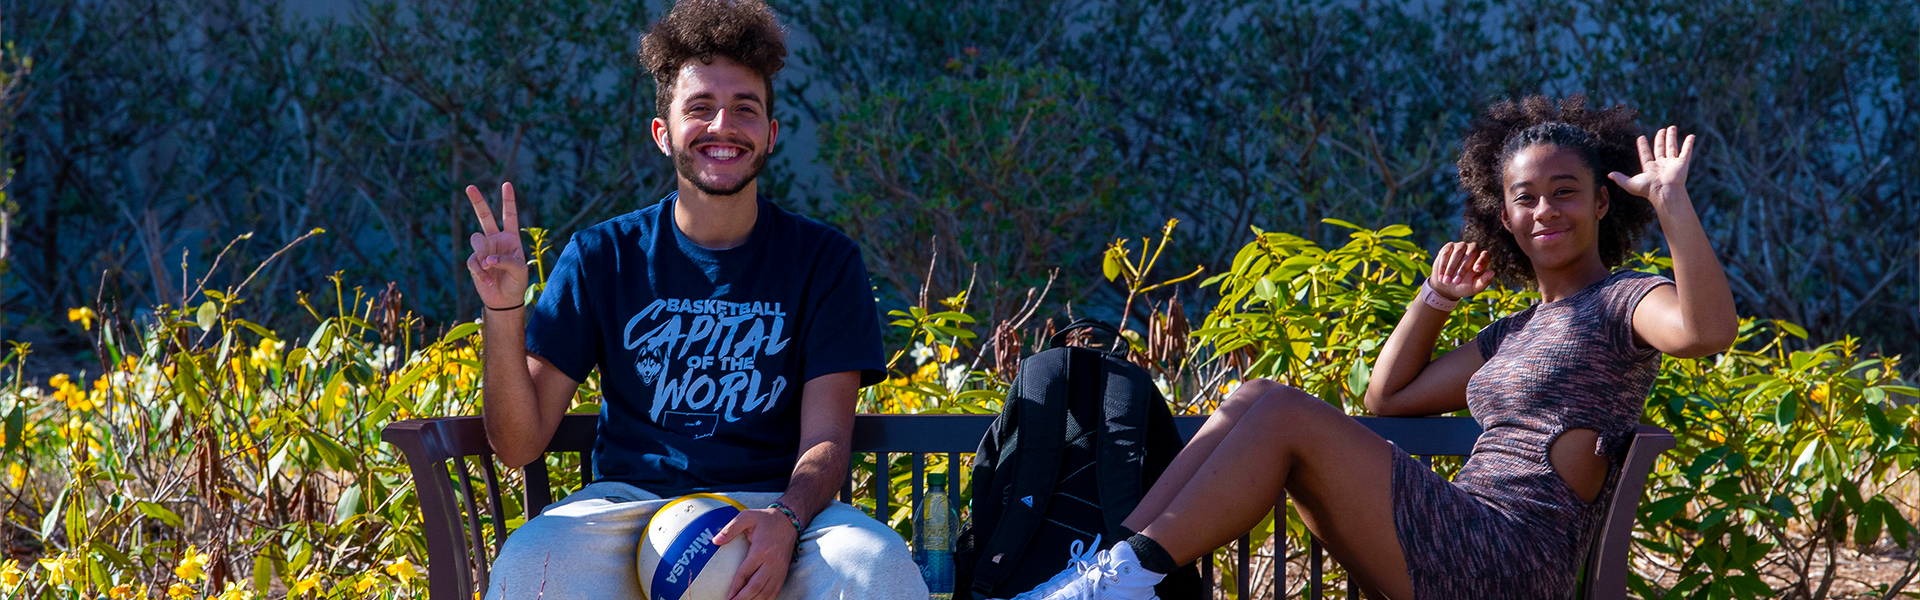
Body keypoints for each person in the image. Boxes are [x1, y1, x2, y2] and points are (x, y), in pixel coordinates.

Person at [1007, 95, 1738, 600]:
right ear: (1504, 216)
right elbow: (1386, 398)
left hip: (1506, 558)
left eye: (1564, 191)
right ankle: (1111, 573)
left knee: (1283, 410)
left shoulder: (1625, 301)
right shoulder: (1512, 333)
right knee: (1258, 397)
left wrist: (1671, 204)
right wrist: (1436, 301)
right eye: (1525, 196)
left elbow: (1706, 333)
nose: (1545, 209)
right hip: (1462, 536)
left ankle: (1122, 578)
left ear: (1602, 202)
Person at [461, 1, 926, 598]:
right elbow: (518, 444)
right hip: (629, 512)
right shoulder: (603, 256)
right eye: (699, 108)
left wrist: (785, 520)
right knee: (531, 564)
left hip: (776, 510)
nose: (721, 126)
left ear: (770, 135)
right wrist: (503, 310)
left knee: (877, 566)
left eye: (745, 110)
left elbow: (826, 442)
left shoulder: (825, 261)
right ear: (664, 133)